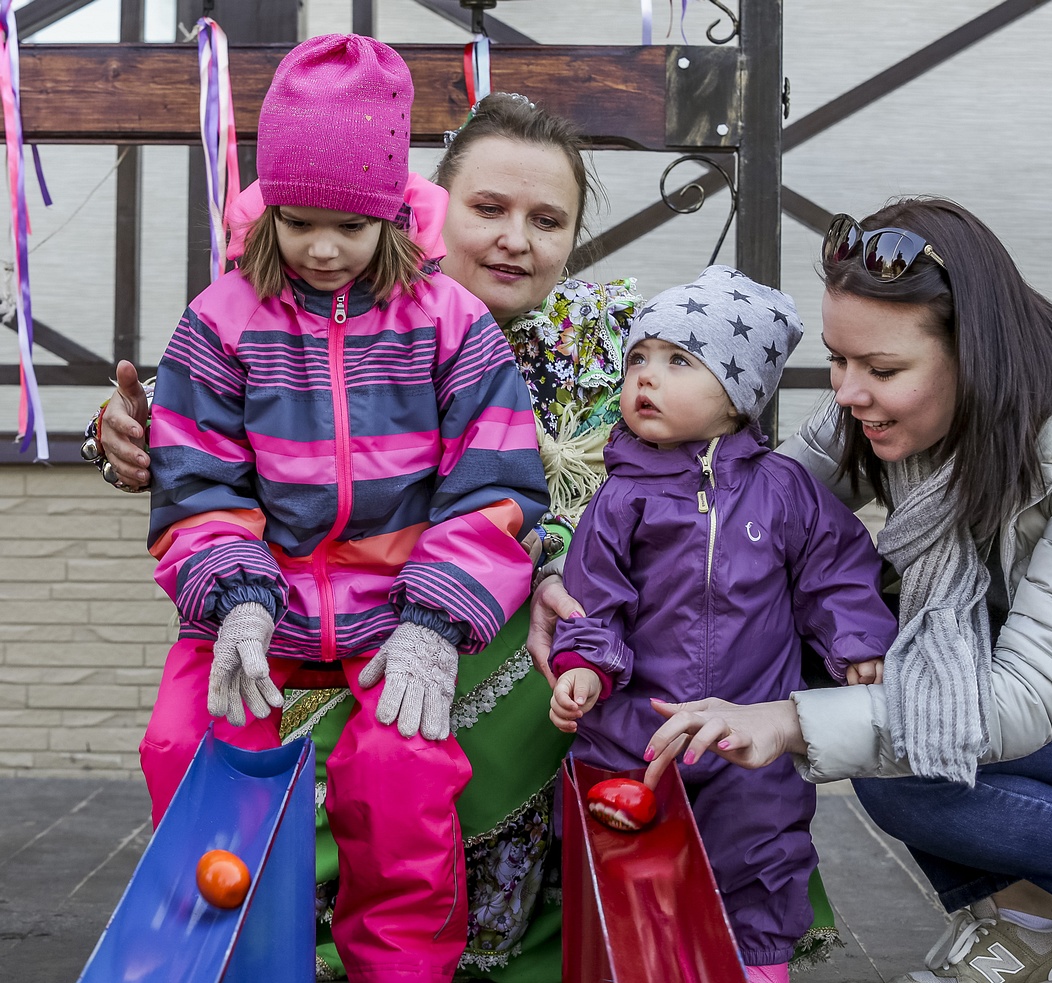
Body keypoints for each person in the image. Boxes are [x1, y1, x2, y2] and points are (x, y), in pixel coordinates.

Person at [87, 95, 846, 981]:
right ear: (426, 208)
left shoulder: (622, 349)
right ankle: (306, 924)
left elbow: (697, 485)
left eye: (547, 219)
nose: (516, 238)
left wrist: (562, 563)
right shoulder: (313, 315)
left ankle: (616, 919)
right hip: (349, 623)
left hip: (566, 623)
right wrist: (129, 444)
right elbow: (220, 455)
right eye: (489, 208)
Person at [617, 199, 1052, 983]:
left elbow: (1025, 696)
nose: (848, 393)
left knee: (897, 748)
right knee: (852, 672)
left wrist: (788, 718)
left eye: (882, 370)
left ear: (974, 352)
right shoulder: (885, 405)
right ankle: (1037, 932)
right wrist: (577, 578)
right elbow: (755, 504)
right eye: (837, 359)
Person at [142, 37, 549, 983]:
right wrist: (233, 593)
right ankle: (229, 952)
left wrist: (437, 619)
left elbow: (494, 484)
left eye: (351, 227)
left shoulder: (449, 322)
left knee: (403, 773)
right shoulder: (222, 320)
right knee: (187, 739)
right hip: (261, 599)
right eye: (299, 222)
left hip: (394, 607)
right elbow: (196, 479)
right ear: (270, 207)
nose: (323, 249)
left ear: (394, 215)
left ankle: (401, 965)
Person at [546, 266, 897, 983]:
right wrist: (583, 662)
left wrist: (857, 639)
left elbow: (835, 567)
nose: (646, 376)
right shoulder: (622, 497)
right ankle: (634, 958)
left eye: (679, 361)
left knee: (763, 847)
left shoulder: (783, 489)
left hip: (748, 726)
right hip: (635, 728)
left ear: (741, 395)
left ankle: (757, 963)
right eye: (638, 357)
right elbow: (594, 596)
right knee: (625, 849)